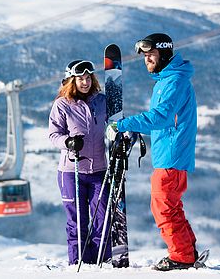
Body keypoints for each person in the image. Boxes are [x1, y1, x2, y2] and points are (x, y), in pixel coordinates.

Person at [111, 33, 199, 271]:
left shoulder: (173, 81)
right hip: (169, 154)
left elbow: (161, 117)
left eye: (152, 54)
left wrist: (123, 125)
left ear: (165, 53)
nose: (147, 59)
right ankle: (187, 251)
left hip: (172, 155)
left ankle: (181, 257)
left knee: (163, 207)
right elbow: (167, 120)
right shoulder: (167, 80)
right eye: (145, 56)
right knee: (170, 205)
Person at [48, 59, 110, 265]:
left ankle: (102, 261)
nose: (85, 82)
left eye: (88, 78)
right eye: (80, 79)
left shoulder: (102, 101)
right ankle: (80, 263)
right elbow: (53, 135)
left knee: (103, 218)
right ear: (71, 81)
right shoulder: (62, 104)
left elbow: (114, 125)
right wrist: (68, 142)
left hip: (99, 171)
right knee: (77, 222)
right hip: (71, 171)